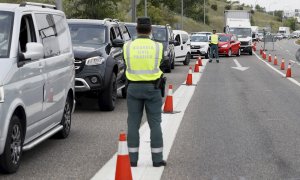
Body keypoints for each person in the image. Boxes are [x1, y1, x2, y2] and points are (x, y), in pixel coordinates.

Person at [123, 17, 167, 167]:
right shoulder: (158, 46)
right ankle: (157, 159)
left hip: (133, 88)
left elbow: (126, 62)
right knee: (155, 124)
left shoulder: (127, 46)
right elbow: (161, 62)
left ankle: (132, 160)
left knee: (133, 124)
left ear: (136, 29)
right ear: (150, 30)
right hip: (153, 89)